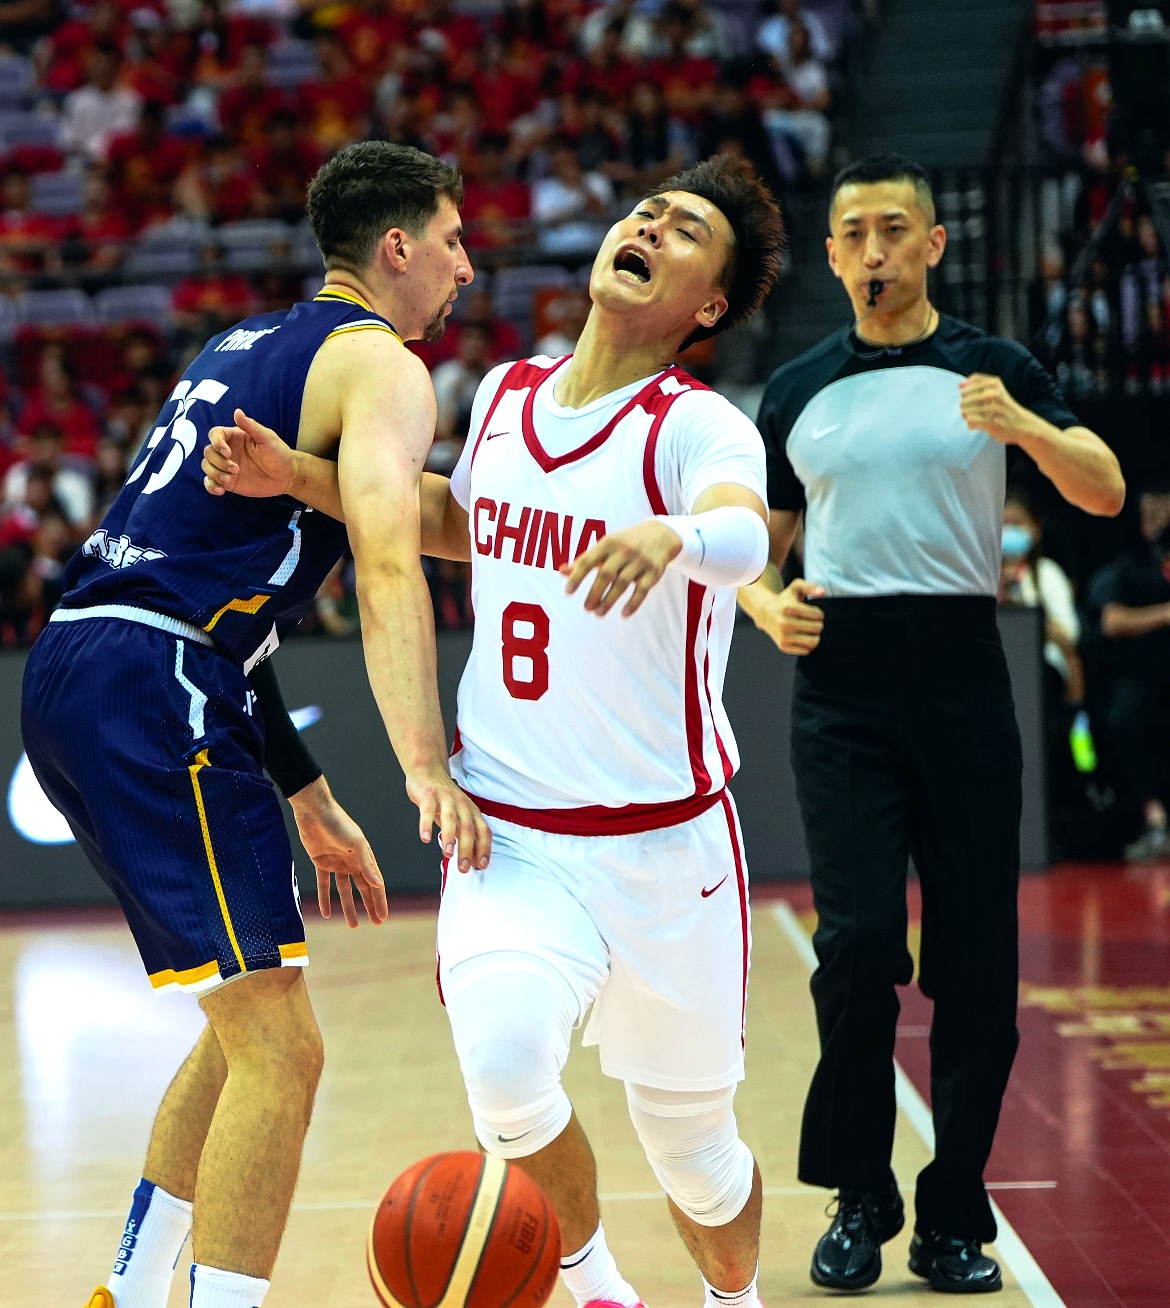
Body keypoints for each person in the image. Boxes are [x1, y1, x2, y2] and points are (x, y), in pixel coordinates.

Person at [203, 153, 785, 1308]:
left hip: (668, 849)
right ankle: (604, 1291)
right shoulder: (507, 395)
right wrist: (298, 473)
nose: (650, 228)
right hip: (511, 832)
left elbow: (746, 534)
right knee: (507, 1080)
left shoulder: (697, 427)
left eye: (684, 233)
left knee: (697, 1158)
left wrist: (675, 539)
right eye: (647, 212)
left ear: (710, 306)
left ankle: (735, 1297)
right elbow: (456, 521)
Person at [21, 141, 491, 1308]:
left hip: (87, 662)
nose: (467, 269)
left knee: (243, 1022)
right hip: (158, 675)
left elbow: (245, 598)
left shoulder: (238, 346)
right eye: (452, 242)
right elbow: (389, 559)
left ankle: (131, 1294)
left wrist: (310, 796)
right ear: (397, 247)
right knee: (285, 1052)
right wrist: (422, 762)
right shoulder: (379, 365)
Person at [738, 153, 1124, 1294]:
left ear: (933, 243)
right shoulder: (797, 388)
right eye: (853, 233)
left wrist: (1028, 427)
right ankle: (861, 1196)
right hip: (842, 681)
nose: (874, 251)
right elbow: (754, 546)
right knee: (857, 947)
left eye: (894, 230)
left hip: (963, 666)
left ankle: (955, 1210)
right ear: (830, 254)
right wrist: (764, 605)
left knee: (979, 959)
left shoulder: (993, 367)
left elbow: (1103, 486)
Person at [1089, 475, 1170, 860]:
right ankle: (1156, 819)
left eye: (1165, 511)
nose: (1159, 521)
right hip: (1142, 674)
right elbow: (1111, 621)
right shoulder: (1127, 568)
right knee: (1123, 719)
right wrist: (1165, 614)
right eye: (1150, 513)